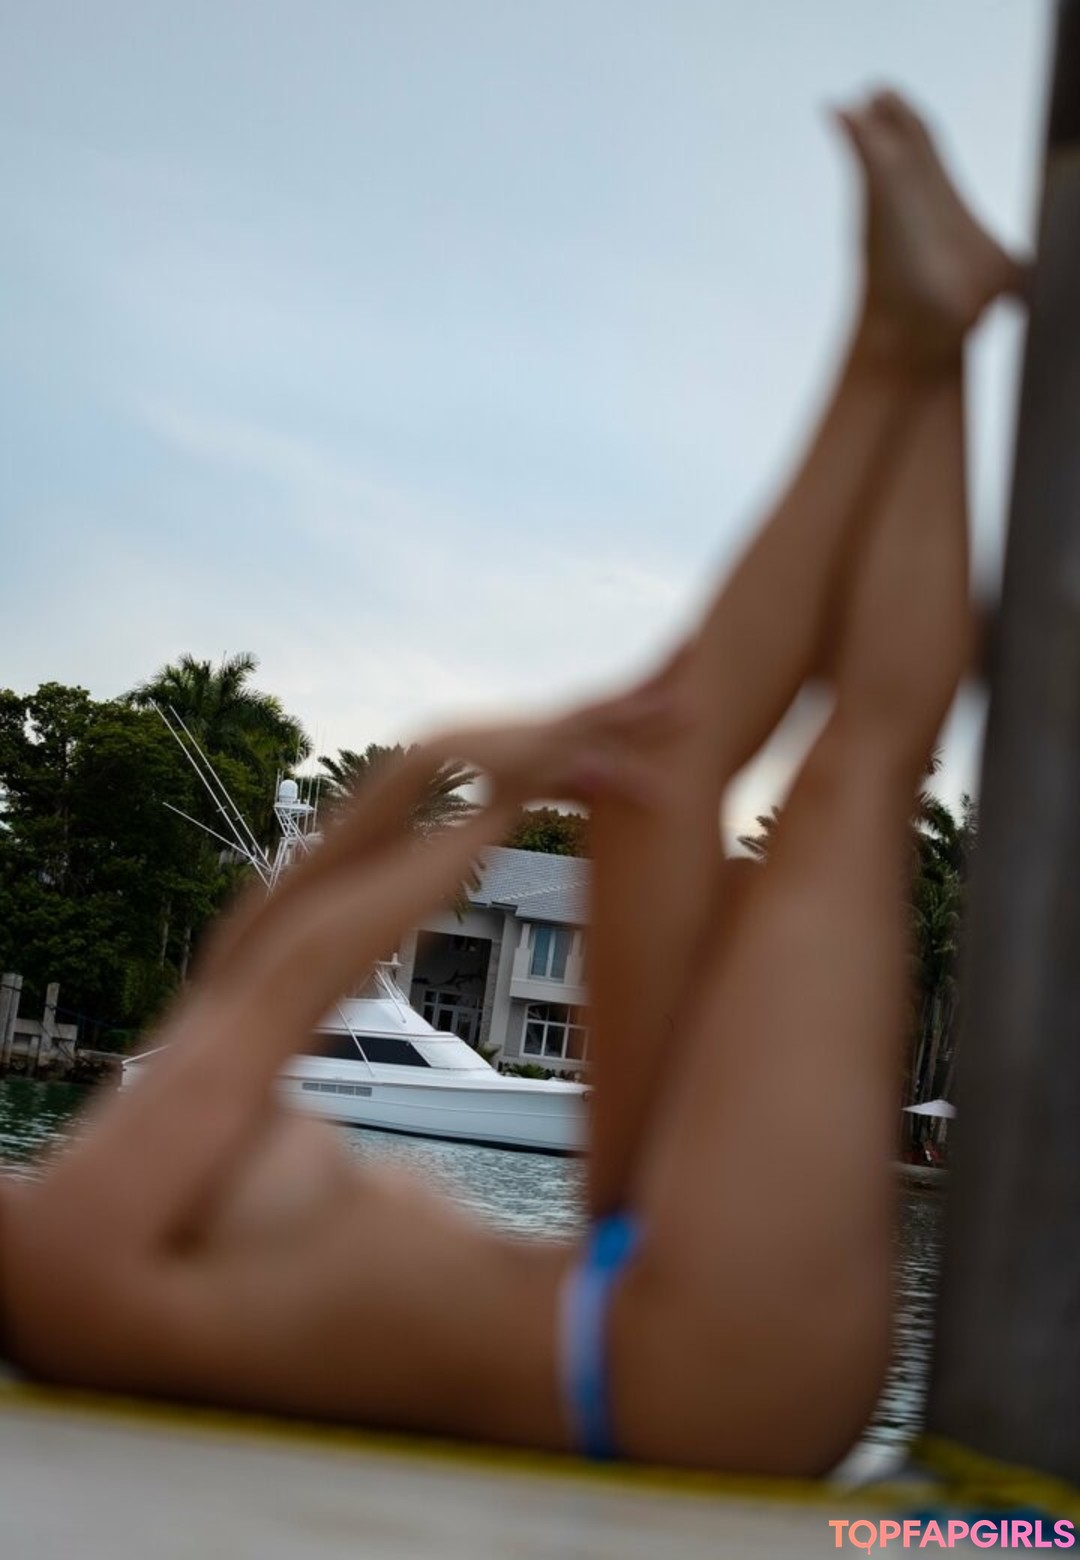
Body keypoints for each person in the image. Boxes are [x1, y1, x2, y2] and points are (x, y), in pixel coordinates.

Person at [0, 91, 1021, 1476]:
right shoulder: (58, 1261)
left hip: (619, 1288)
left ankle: (896, 331)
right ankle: (931, 345)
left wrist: (437, 763)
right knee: (858, 775)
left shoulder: (87, 1190)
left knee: (662, 758)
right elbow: (279, 996)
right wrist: (480, 807)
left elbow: (254, 960)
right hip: (705, 1371)